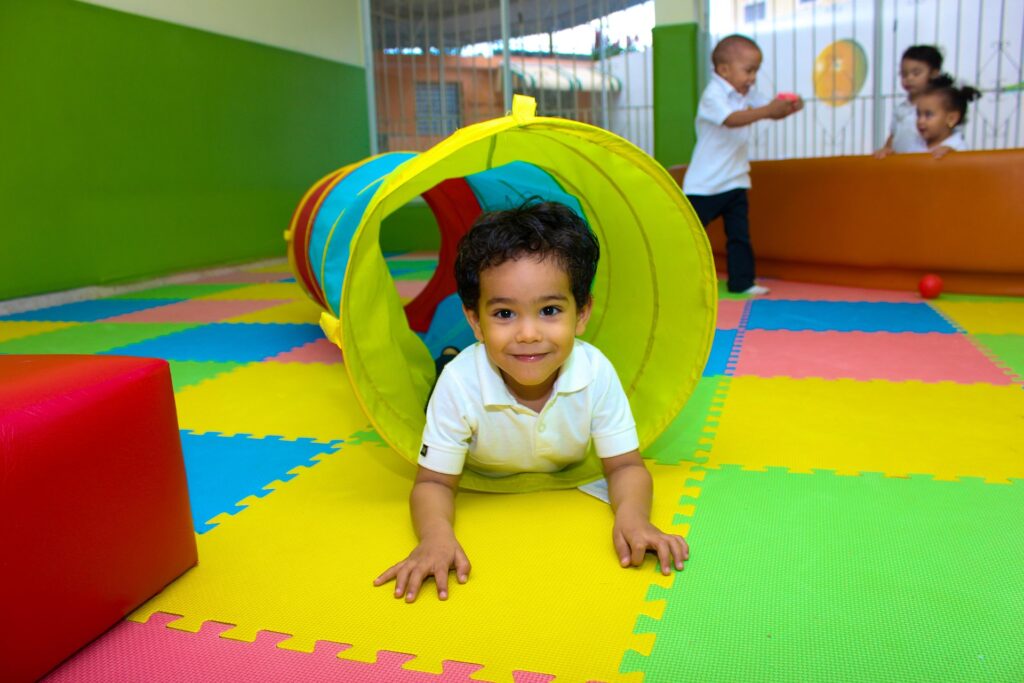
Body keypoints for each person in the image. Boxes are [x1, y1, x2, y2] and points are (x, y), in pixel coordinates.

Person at [374, 201, 688, 603]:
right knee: (446, 371)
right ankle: (450, 353)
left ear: (582, 313)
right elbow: (433, 481)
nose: (527, 334)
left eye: (550, 310)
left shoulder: (595, 372)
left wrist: (634, 518)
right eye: (504, 313)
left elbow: (626, 465)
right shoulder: (460, 385)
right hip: (461, 378)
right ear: (476, 321)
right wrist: (436, 537)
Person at [683, 34, 803, 296]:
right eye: (748, 71)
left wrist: (789, 106)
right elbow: (732, 119)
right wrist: (769, 110)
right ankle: (680, 278)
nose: (752, 78)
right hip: (706, 183)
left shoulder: (746, 93)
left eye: (756, 71)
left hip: (736, 178)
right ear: (724, 70)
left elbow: (769, 109)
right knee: (688, 236)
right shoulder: (712, 95)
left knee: (739, 235)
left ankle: (742, 281)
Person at [873, 45, 948, 157]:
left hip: (926, 164)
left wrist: (948, 149)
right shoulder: (901, 108)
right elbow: (894, 135)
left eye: (916, 73)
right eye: (904, 74)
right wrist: (886, 149)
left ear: (934, 73)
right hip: (901, 165)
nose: (909, 78)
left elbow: (951, 135)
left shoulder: (941, 106)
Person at [913, 81, 981, 158]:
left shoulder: (958, 147)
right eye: (918, 114)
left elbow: (966, 167)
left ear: (951, 119)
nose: (920, 121)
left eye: (928, 115)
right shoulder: (916, 143)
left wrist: (953, 157)